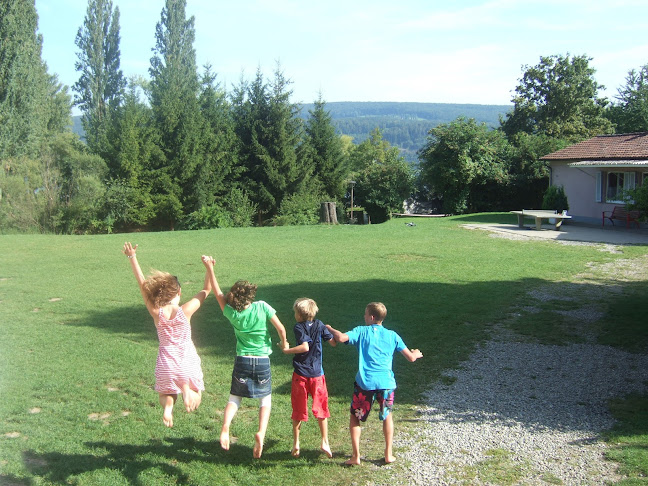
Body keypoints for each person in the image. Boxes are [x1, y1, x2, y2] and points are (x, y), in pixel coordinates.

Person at [202, 256, 289, 459]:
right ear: (250, 295)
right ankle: (261, 432)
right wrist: (284, 344)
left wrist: (210, 269)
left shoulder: (232, 314)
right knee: (265, 399)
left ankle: (225, 427)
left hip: (242, 359)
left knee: (235, 398)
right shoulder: (263, 307)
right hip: (262, 361)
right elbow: (281, 328)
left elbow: (217, 292)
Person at [123, 242, 211, 428]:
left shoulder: (156, 312)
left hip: (166, 363)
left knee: (165, 394)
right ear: (179, 292)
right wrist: (209, 268)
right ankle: (187, 391)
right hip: (186, 360)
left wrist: (133, 258)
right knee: (198, 396)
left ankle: (168, 408)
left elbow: (142, 284)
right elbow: (206, 290)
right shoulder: (185, 310)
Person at [326, 302, 423, 465]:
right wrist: (416, 353)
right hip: (386, 384)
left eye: (365, 314)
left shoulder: (361, 331)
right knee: (387, 416)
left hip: (365, 384)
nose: (363, 317)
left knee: (355, 417)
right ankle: (388, 454)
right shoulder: (393, 335)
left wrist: (329, 328)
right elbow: (411, 357)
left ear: (371, 317)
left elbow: (341, 338)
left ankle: (356, 457)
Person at [282, 298, 336, 458]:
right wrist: (331, 331)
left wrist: (287, 350)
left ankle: (296, 443)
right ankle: (325, 441)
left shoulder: (298, 327)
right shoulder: (319, 324)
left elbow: (305, 346)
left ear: (299, 314)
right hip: (317, 374)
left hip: (301, 374)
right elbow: (333, 343)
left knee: (298, 408)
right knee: (322, 408)